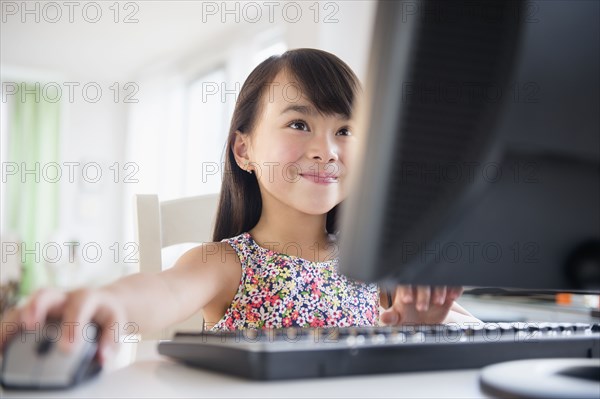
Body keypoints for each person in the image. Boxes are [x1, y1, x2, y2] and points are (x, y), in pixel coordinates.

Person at [0, 49, 479, 364]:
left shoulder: (374, 267)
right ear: (244, 150)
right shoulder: (226, 263)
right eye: (299, 124)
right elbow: (159, 292)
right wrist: (110, 303)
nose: (326, 150)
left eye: (345, 131)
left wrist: (415, 334)